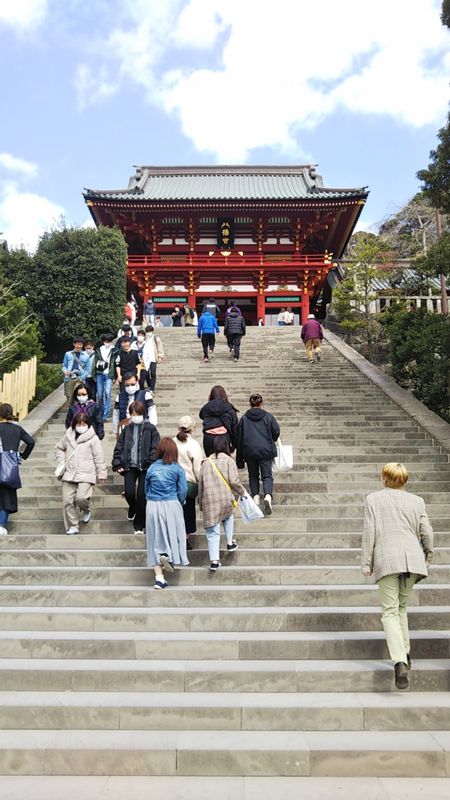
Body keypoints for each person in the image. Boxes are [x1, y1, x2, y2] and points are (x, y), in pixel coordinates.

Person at [361, 462, 434, 690]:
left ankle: (400, 661)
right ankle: (406, 652)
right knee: (401, 607)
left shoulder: (373, 499)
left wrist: (366, 562)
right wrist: (427, 557)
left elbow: (369, 532)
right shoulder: (417, 501)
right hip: (412, 559)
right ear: (405, 481)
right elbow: (427, 532)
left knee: (390, 612)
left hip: (387, 559)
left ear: (384, 478)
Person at [145, 437, 188, 590]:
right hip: (171, 503)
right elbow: (183, 490)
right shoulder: (177, 468)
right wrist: (179, 501)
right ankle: (168, 556)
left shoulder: (151, 468)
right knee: (174, 535)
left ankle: (159, 578)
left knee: (153, 540)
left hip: (152, 505)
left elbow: (146, 489)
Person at [198, 435, 247, 571]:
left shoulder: (206, 462)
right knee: (228, 515)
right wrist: (243, 492)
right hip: (225, 499)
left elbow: (200, 485)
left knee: (212, 532)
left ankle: (214, 561)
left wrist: (200, 503)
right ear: (227, 445)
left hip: (210, 500)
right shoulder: (229, 461)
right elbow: (234, 481)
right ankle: (230, 542)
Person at [112, 400, 160, 535]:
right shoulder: (127, 429)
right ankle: (132, 507)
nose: (135, 416)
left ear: (143, 414)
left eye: (138, 414)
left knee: (142, 495)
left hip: (145, 467)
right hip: (129, 466)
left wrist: (150, 461)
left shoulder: (151, 428)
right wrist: (117, 462)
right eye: (133, 414)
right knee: (129, 492)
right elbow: (119, 446)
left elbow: (155, 447)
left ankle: (139, 524)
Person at [55, 412, 107, 535]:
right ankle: (73, 525)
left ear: (88, 425)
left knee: (81, 498)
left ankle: (86, 509)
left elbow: (98, 457)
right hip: (69, 473)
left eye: (84, 424)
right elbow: (59, 448)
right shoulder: (68, 436)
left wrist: (102, 473)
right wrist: (62, 460)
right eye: (79, 424)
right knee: (67, 501)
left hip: (86, 473)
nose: (81, 426)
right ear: (74, 424)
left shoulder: (93, 439)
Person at [236, 393, 280, 516]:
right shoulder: (268, 417)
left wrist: (239, 457)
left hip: (249, 451)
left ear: (250, 404)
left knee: (253, 475)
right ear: (262, 404)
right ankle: (267, 496)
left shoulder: (244, 419)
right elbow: (276, 432)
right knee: (267, 476)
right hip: (265, 451)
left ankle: (255, 496)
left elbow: (239, 437)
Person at [0, 403, 35, 536]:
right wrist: (22, 456)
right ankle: (2, 525)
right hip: (9, 466)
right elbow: (31, 442)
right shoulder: (17, 429)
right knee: (7, 495)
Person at [173, 415, 203, 549]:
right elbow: (197, 467)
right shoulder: (194, 445)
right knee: (188, 511)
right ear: (193, 429)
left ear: (178, 428)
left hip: (172, 483)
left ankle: (174, 536)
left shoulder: (172, 442)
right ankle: (185, 537)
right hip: (188, 483)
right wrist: (200, 481)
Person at [112, 371, 157, 436]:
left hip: (143, 429)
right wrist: (116, 431)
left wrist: (152, 427)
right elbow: (116, 414)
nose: (130, 387)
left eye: (132, 384)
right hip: (125, 429)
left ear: (137, 382)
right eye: (127, 385)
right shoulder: (119, 397)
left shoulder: (146, 395)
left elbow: (152, 411)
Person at [199, 385, 238, 457]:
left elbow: (201, 415)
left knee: (211, 462)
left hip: (208, 437)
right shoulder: (229, 408)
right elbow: (235, 429)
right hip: (224, 438)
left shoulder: (207, 407)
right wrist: (234, 445)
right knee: (224, 462)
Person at [94, 333, 117, 422]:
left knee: (107, 393)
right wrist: (94, 375)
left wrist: (115, 376)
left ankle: (106, 414)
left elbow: (116, 364)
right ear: (103, 341)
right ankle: (101, 412)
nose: (108, 343)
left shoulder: (115, 350)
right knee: (99, 395)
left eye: (109, 341)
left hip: (109, 374)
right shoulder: (98, 350)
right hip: (99, 374)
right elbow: (94, 363)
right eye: (106, 341)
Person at [61, 337, 90, 401]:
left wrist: (82, 377)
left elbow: (88, 370)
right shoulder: (68, 354)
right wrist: (65, 371)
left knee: (80, 396)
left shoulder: (86, 356)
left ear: (83, 345)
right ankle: (70, 410)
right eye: (77, 344)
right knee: (69, 397)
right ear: (74, 344)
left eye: (81, 344)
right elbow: (64, 366)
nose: (79, 346)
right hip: (69, 378)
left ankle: (78, 410)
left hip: (80, 378)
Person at [140, 325, 164, 391]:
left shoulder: (156, 338)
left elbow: (160, 347)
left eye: (150, 331)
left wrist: (160, 356)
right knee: (146, 374)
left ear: (152, 331)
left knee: (153, 373)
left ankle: (152, 389)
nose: (148, 333)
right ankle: (150, 384)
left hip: (153, 358)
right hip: (145, 359)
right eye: (147, 331)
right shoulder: (144, 339)